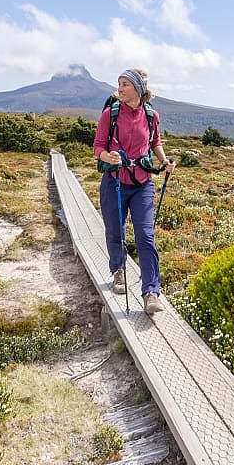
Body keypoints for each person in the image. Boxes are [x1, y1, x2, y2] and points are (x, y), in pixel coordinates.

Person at [94, 68, 176, 315]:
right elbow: (98, 146)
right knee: (115, 231)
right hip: (114, 182)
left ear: (138, 89)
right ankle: (118, 271)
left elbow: (155, 142)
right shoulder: (111, 114)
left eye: (125, 84)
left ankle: (151, 292)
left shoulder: (151, 115)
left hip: (142, 183)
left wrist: (164, 161)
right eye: (119, 83)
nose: (120, 88)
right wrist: (107, 155)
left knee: (145, 236)